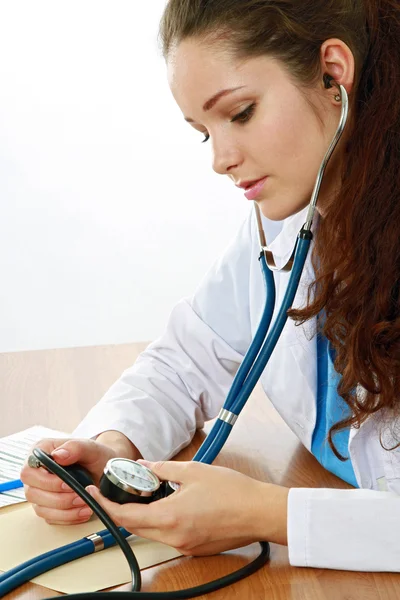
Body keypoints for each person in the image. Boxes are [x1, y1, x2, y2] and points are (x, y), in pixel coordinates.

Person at [20, 0, 400, 572]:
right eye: (204, 133)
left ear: (332, 73)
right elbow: (185, 361)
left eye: (241, 113)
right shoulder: (292, 225)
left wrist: (266, 515)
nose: (221, 160)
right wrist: (113, 447)